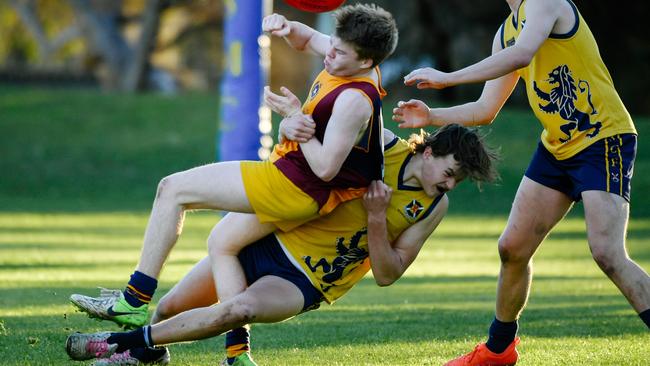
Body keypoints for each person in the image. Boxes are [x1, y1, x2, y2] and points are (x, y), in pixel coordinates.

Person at [69, 3, 399, 331]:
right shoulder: (348, 57)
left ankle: (133, 301)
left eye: (339, 53)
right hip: (293, 181)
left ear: (366, 61)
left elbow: (326, 169)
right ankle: (237, 353)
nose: (329, 54)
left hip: (292, 186)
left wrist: (295, 119)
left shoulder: (353, 101)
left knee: (172, 190)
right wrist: (285, 25)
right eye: (333, 45)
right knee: (223, 242)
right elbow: (307, 37)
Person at [65, 124, 500, 365]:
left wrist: (374, 218)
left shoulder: (432, 208)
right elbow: (337, 113)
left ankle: (120, 344)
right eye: (451, 171)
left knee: (238, 310)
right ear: (430, 152)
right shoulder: (383, 147)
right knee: (168, 311)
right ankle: (148, 351)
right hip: (268, 238)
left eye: (459, 180)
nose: (451, 184)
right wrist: (294, 120)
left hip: (305, 280)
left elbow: (387, 274)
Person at [392, 0, 649, 365]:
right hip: (557, 147)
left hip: (602, 138)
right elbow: (485, 109)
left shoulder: (546, 2)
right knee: (512, 247)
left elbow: (522, 56)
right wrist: (432, 115)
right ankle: (498, 350)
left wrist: (448, 77)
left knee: (607, 253)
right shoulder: (506, 31)